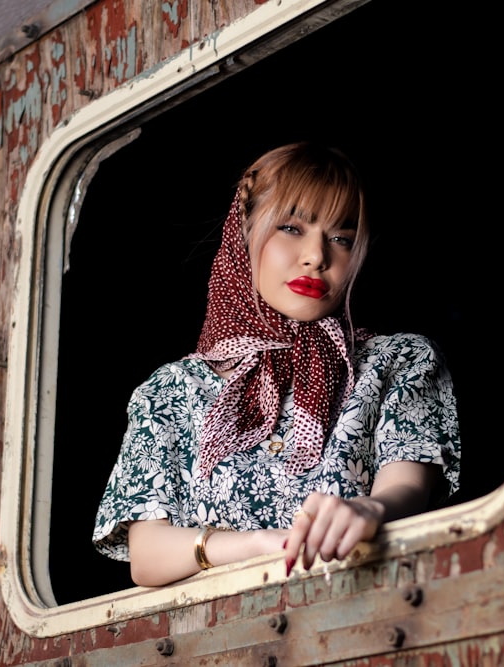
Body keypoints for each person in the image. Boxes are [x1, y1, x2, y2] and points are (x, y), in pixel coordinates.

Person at [93, 142, 460, 587]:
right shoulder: (172, 389)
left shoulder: (398, 361)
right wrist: (256, 545)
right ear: (244, 234)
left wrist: (368, 510)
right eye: (291, 227)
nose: (316, 256)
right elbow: (147, 556)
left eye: (341, 238)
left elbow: (407, 489)